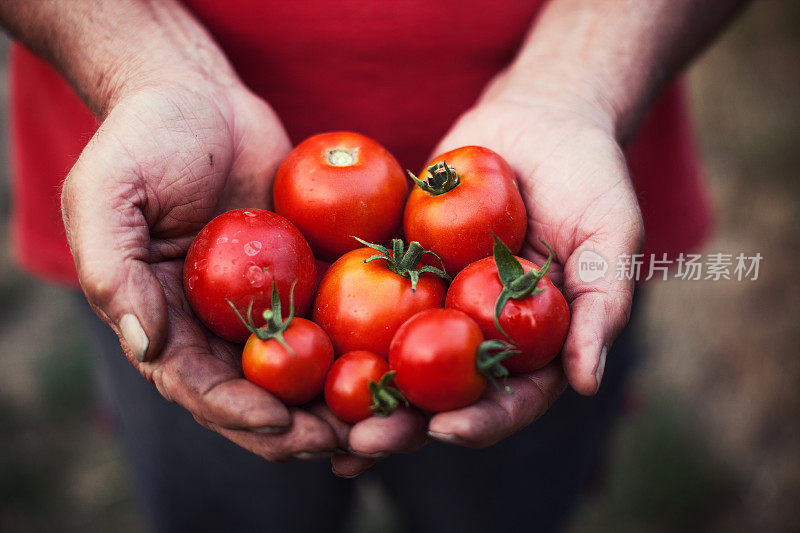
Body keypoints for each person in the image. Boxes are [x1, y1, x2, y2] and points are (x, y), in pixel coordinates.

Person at [1, 1, 746, 531]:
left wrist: (580, 81)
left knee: (506, 507)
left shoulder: (506, 279)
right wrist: (143, 66)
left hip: (559, 195)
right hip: (179, 208)